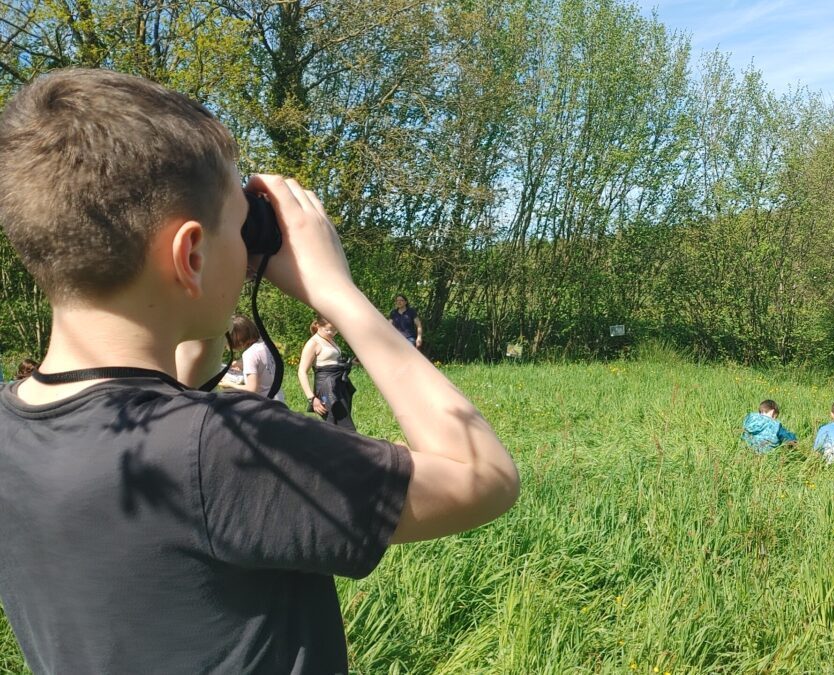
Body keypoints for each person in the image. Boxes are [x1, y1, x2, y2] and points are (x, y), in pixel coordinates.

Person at [0, 68, 519, 674]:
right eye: (237, 227)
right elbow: (483, 477)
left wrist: (193, 314)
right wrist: (338, 293)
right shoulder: (225, 449)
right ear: (191, 254)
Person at [298, 316, 356, 429]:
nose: (332, 333)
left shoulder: (330, 340)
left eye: (335, 330)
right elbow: (302, 371)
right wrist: (312, 398)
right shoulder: (313, 343)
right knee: (343, 425)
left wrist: (351, 362)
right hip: (326, 388)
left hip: (338, 384)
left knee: (339, 424)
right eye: (328, 329)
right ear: (318, 326)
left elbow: (331, 361)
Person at [218, 314, 285, 402]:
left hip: (263, 404)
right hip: (278, 400)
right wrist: (240, 365)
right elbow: (263, 365)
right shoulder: (266, 345)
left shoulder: (249, 354)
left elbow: (252, 389)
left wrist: (229, 384)